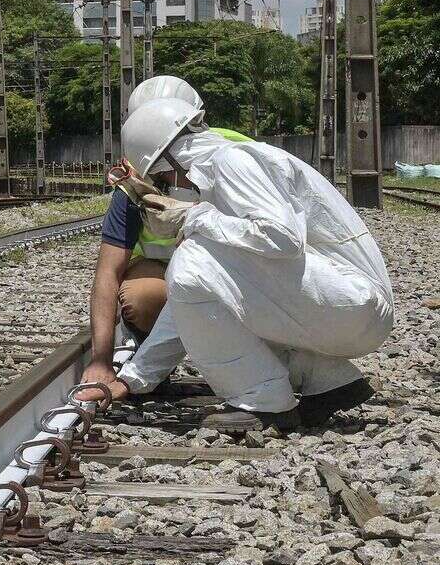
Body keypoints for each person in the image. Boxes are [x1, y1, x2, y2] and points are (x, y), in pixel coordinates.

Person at [91, 97, 391, 433]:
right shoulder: (226, 169)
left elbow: (283, 238)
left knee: (191, 261)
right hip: (351, 306)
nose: (169, 187)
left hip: (354, 305)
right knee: (212, 282)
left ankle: (265, 402)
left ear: (171, 161)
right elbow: (186, 305)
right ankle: (325, 379)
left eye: (161, 177)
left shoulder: (232, 162)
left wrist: (194, 217)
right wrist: (134, 379)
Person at [81, 77, 252, 403]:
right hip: (166, 275)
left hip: (234, 272)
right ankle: (149, 352)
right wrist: (101, 360)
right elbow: (108, 272)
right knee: (144, 296)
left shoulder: (236, 155)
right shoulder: (135, 181)